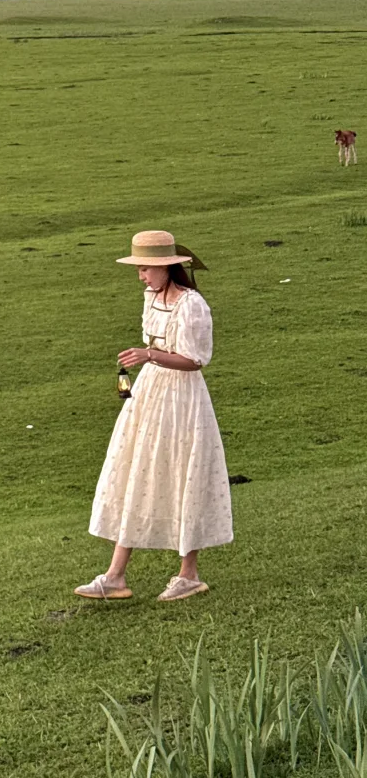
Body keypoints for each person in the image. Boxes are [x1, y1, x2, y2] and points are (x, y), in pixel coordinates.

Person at [75, 230, 233, 602]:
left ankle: (188, 573)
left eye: (146, 268)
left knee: (182, 470)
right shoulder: (152, 296)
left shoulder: (191, 305)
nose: (141, 276)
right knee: (136, 469)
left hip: (181, 398)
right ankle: (115, 575)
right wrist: (145, 359)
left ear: (166, 267)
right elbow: (154, 345)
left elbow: (194, 362)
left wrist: (150, 356)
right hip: (150, 393)